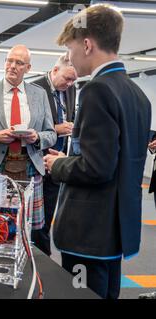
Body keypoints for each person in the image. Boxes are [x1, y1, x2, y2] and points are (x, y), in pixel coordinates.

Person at [43, 5, 151, 299]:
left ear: (87, 44)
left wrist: (59, 163)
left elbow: (96, 167)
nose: (71, 58)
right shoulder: (137, 95)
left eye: (70, 49)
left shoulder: (97, 90)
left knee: (82, 295)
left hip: (88, 232)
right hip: (115, 229)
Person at [0, 44, 56, 231]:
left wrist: (37, 137)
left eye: (19, 62)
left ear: (28, 68)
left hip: (30, 166)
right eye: (9, 61)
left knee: (25, 228)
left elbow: (51, 134)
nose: (12, 66)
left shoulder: (39, 94)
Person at [29, 54, 77, 256]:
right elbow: (29, 127)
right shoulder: (34, 88)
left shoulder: (70, 89)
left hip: (59, 159)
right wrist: (56, 129)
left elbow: (70, 115)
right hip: (36, 159)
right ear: (54, 70)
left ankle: (42, 253)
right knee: (33, 214)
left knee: (48, 211)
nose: (70, 83)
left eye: (74, 79)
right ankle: (38, 253)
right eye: (67, 78)